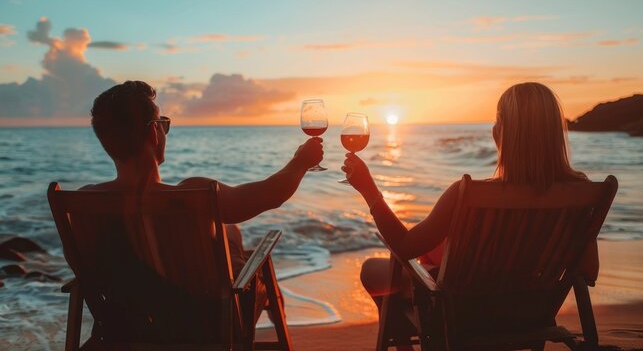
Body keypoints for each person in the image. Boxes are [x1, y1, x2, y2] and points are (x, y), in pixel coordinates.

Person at [342, 82, 596, 350]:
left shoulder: (468, 193)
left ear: (505, 133)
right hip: (529, 315)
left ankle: (402, 341)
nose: (494, 127)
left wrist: (370, 191)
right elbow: (589, 271)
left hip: (459, 317)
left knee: (373, 269)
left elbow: (405, 246)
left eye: (498, 119)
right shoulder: (581, 195)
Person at [82, 80, 323, 342]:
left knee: (229, 231)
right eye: (164, 124)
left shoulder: (84, 201)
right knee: (239, 242)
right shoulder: (195, 193)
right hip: (208, 331)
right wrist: (300, 162)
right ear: (154, 132)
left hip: (123, 333)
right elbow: (270, 195)